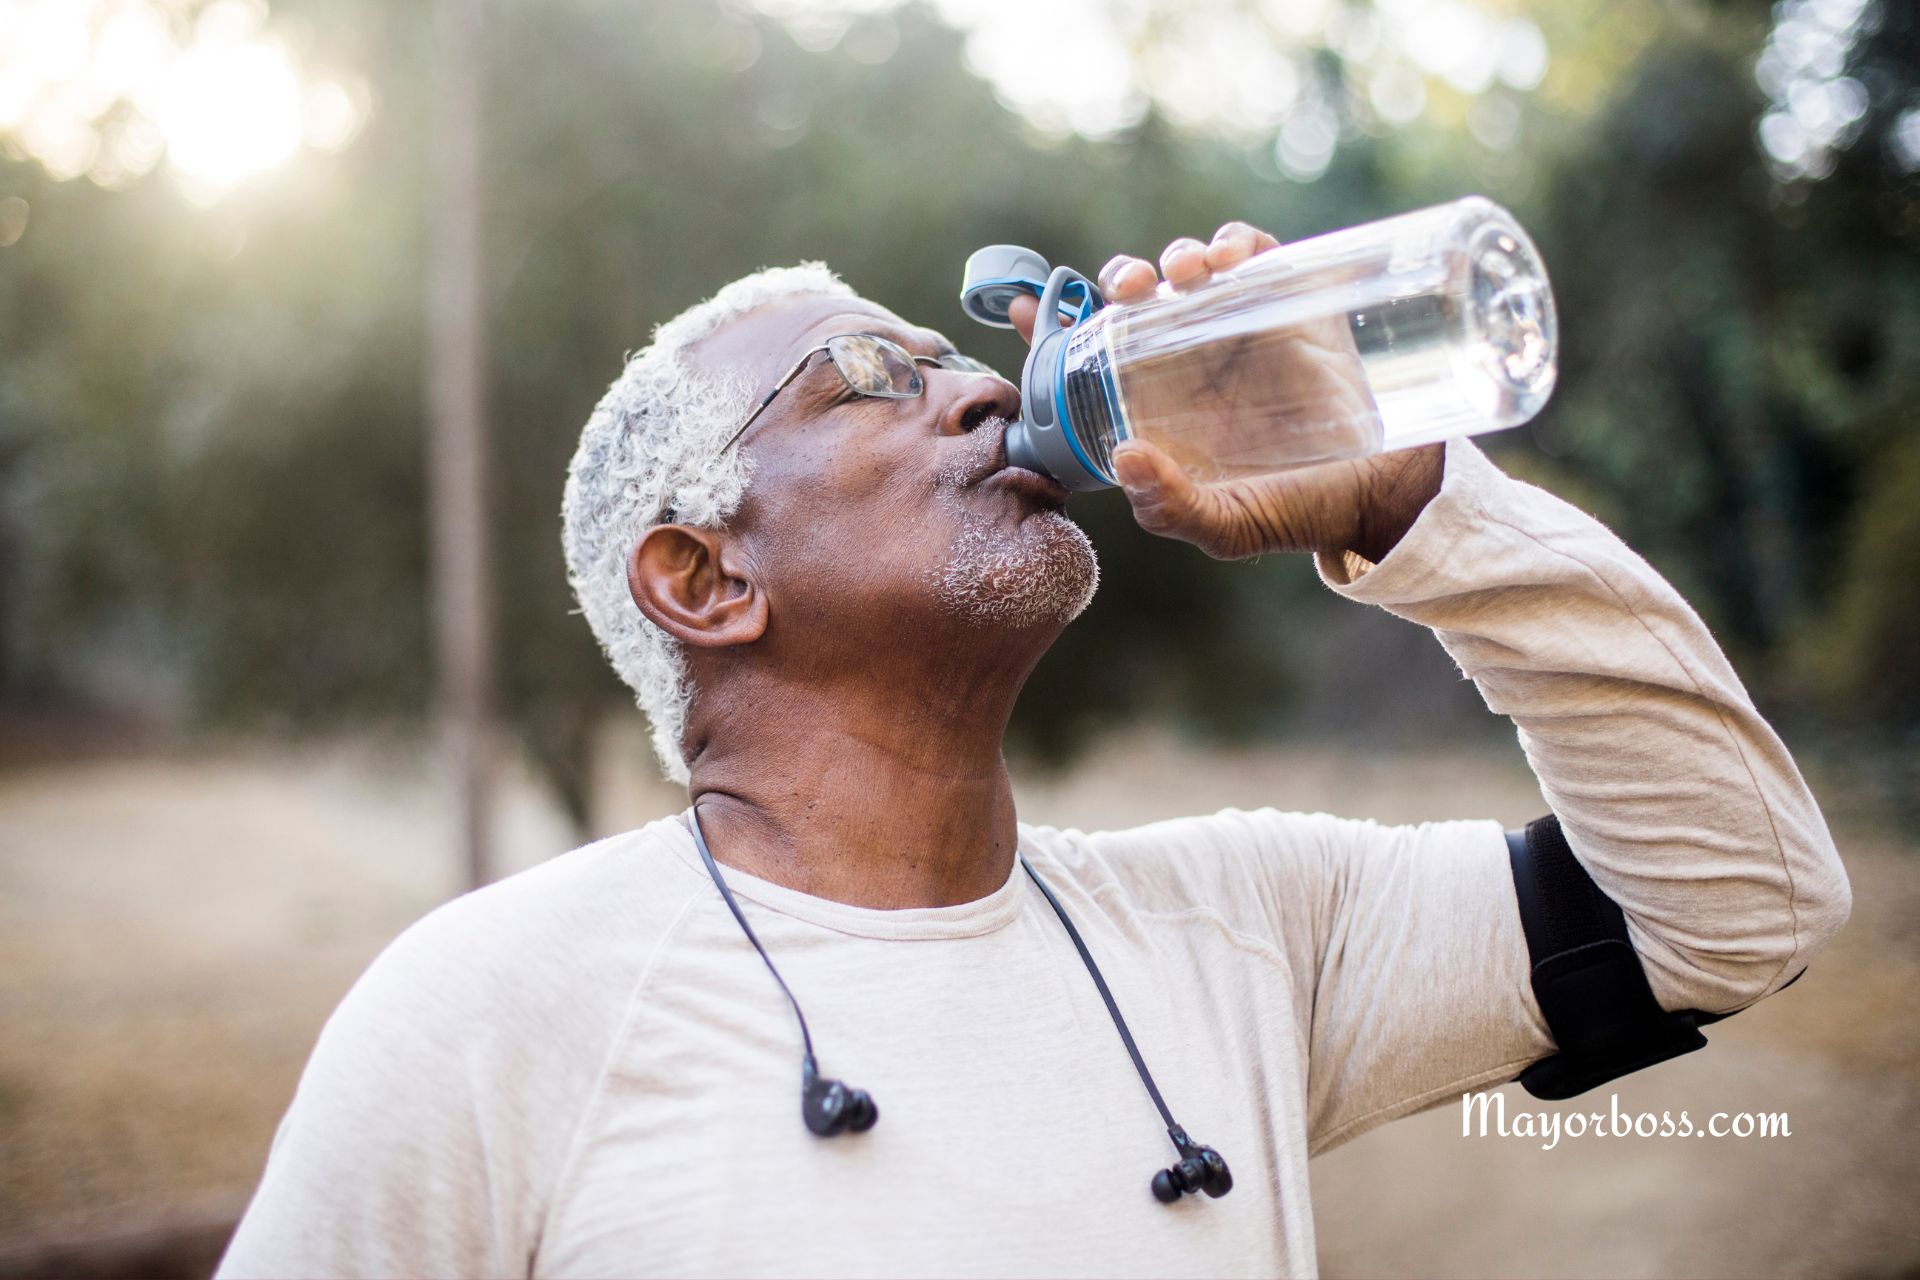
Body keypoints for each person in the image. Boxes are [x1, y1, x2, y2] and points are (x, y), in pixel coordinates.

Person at [218, 222, 1850, 1279]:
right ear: (704, 578)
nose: (983, 399)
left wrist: (1411, 507)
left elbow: (1744, 908)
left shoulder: (1249, 928)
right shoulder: (488, 1012)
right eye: (868, 376)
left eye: (959, 358)